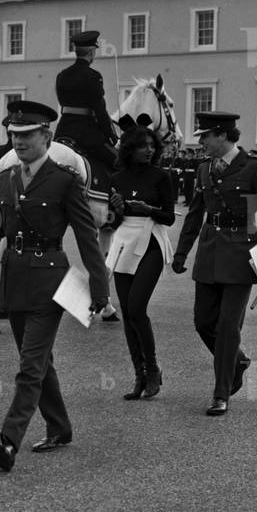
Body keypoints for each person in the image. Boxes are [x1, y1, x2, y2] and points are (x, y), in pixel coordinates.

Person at [0, 100, 109, 472]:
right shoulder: (5, 179)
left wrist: (100, 289)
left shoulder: (65, 181)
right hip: (15, 281)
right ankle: (60, 427)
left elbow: (87, 238)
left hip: (50, 281)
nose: (18, 141)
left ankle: (9, 441)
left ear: (46, 135)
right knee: (39, 362)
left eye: (27, 134)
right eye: (13, 134)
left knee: (29, 367)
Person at [171, 112, 257, 417]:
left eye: (205, 136)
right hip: (209, 252)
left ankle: (221, 392)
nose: (201, 142)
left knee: (226, 326)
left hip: (240, 252)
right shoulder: (204, 169)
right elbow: (196, 213)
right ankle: (238, 360)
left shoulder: (255, 167)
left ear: (221, 135)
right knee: (202, 322)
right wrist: (182, 252)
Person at [53, 29, 120, 322]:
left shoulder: (62, 76)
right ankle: (111, 208)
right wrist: (111, 134)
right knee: (116, 165)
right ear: (91, 51)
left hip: (63, 132)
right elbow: (99, 109)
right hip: (86, 132)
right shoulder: (94, 77)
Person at [106, 125, 176, 400]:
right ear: (130, 149)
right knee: (127, 311)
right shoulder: (117, 177)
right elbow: (112, 222)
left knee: (137, 307)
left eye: (151, 145)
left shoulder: (162, 176)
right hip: (125, 240)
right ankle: (140, 374)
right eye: (142, 145)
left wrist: (150, 210)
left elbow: (169, 217)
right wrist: (118, 208)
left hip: (152, 241)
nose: (148, 149)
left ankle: (153, 368)